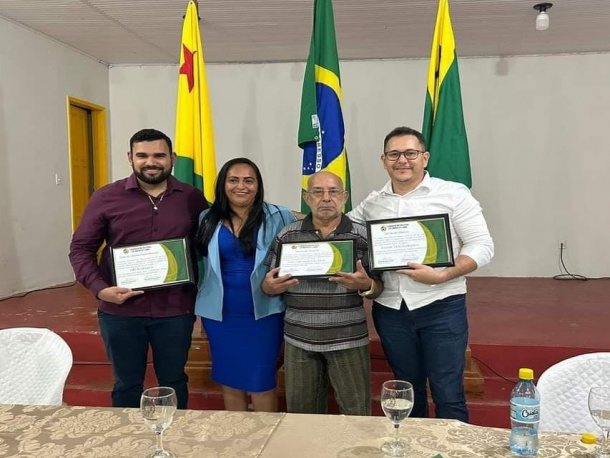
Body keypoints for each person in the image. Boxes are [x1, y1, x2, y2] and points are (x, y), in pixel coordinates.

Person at [348, 126, 494, 423]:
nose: (402, 160)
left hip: (442, 305)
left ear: (424, 157)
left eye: (410, 153)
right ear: (384, 160)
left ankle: (451, 452)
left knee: (448, 390)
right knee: (406, 389)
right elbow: (339, 229)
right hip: (390, 309)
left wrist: (443, 275)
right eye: (394, 154)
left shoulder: (453, 194)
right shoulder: (372, 204)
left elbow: (483, 245)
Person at [69, 128, 208, 409]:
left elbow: (207, 243)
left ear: (172, 158)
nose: (151, 162)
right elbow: (81, 249)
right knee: (127, 384)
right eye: (142, 155)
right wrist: (101, 290)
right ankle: (127, 443)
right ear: (130, 158)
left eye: (159, 155)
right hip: (120, 311)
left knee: (174, 381)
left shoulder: (192, 198)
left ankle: (172, 440)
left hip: (175, 309)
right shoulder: (106, 197)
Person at [262, 171, 382, 415]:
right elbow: (268, 285)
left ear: (344, 197)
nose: (326, 198)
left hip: (348, 337)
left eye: (333, 191)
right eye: (318, 192)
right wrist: (269, 287)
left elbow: (379, 288)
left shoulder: (361, 236)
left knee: (357, 413)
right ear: (307, 198)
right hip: (299, 339)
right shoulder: (288, 235)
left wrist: (365, 284)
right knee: (302, 415)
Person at [194, 157, 296, 412]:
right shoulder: (207, 217)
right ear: (223, 184)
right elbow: (202, 265)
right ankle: (237, 443)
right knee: (230, 380)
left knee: (261, 381)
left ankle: (266, 446)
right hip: (220, 314)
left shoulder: (279, 215)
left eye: (249, 181)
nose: (241, 186)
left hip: (264, 311)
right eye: (234, 180)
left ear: (258, 186)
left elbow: (297, 249)